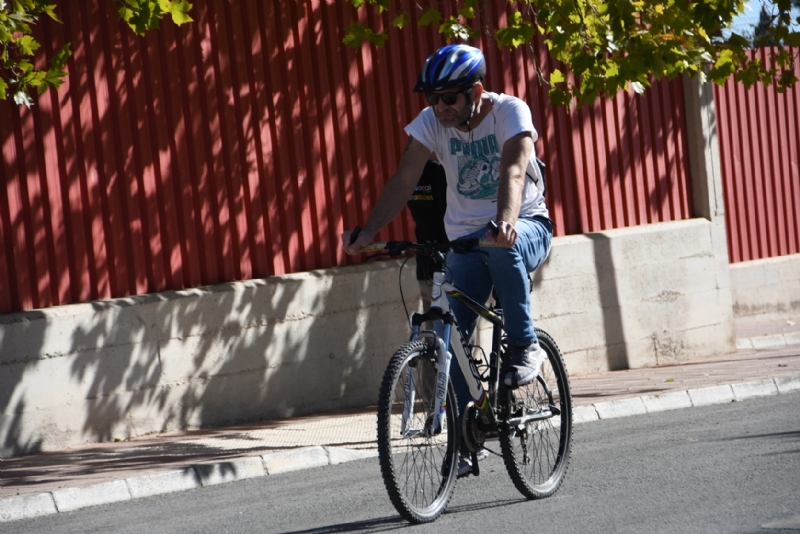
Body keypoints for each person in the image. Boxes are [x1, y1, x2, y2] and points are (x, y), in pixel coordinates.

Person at [342, 44, 553, 474]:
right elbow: (404, 179)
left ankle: (525, 344)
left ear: (475, 91)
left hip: (524, 224)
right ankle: (466, 435)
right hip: (463, 240)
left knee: (503, 247)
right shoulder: (431, 124)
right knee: (445, 336)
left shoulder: (510, 112)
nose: (440, 107)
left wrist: (506, 221)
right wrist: (368, 232)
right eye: (433, 98)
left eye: (450, 97)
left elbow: (514, 168)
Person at [406, 155, 448, 308]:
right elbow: (445, 214)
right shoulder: (440, 171)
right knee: (457, 320)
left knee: (430, 313)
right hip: (448, 258)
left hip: (424, 256)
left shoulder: (410, 174)